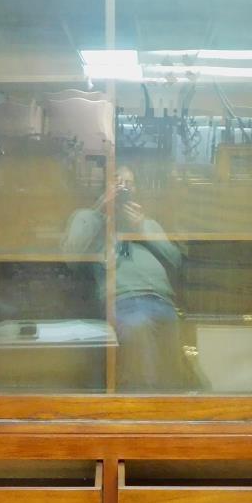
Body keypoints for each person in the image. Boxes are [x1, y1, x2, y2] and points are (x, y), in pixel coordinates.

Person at [63, 166, 183, 390]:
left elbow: (175, 260)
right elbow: (71, 256)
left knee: (172, 369)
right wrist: (101, 209)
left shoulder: (147, 222)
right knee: (139, 338)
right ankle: (144, 409)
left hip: (163, 300)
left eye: (129, 184)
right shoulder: (88, 216)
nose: (123, 188)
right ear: (106, 187)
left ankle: (165, 409)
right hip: (124, 300)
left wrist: (142, 228)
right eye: (117, 182)